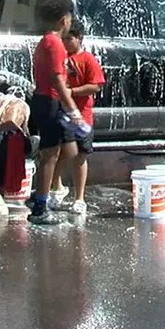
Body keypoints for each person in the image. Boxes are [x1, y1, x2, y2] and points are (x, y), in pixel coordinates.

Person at [27, 0, 88, 224]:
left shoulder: (46, 42)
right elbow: (57, 80)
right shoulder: (55, 45)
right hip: (49, 101)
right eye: (70, 18)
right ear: (64, 19)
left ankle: (40, 196)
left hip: (45, 100)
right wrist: (73, 110)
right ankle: (41, 206)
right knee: (49, 155)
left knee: (63, 151)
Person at [58, 20, 105, 216]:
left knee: (80, 156)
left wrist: (72, 91)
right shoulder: (60, 58)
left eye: (69, 39)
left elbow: (96, 85)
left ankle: (79, 198)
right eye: (63, 39)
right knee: (58, 153)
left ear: (79, 39)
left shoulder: (87, 60)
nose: (66, 42)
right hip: (61, 113)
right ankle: (56, 189)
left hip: (81, 116)